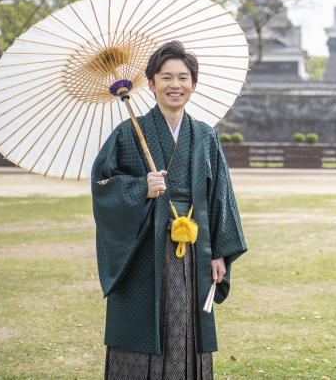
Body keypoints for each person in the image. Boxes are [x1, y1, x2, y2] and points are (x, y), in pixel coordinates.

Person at [92, 41, 246, 380]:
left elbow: (221, 194)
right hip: (143, 249)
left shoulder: (205, 135)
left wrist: (220, 253)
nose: (175, 85)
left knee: (185, 322)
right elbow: (102, 185)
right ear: (150, 84)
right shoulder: (128, 133)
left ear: (193, 84)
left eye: (183, 77)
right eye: (165, 77)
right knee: (141, 325)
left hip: (194, 249)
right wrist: (139, 189)